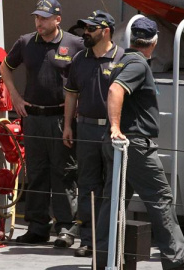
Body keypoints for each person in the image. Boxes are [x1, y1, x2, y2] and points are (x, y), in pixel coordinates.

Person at [96, 17, 184, 269]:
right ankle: (175, 256)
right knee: (160, 195)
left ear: (132, 39)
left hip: (122, 144)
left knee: (114, 199)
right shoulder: (138, 64)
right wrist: (117, 128)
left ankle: (103, 256)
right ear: (154, 42)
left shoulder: (120, 60)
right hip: (134, 145)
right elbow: (115, 90)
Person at [0, 0, 84, 247]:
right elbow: (5, 67)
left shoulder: (74, 44)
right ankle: (37, 228)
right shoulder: (26, 42)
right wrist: (15, 97)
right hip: (33, 118)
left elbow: (85, 75)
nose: (39, 22)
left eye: (45, 18)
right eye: (37, 17)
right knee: (36, 173)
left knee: (64, 173)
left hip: (61, 118)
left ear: (58, 19)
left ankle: (65, 228)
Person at [63, 10, 124, 257]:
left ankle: (110, 240)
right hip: (86, 128)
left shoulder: (122, 58)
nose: (85, 33)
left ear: (105, 30)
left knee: (113, 186)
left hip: (113, 132)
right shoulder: (79, 59)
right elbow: (71, 94)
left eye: (91, 28)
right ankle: (88, 240)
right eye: (85, 28)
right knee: (88, 184)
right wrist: (68, 125)